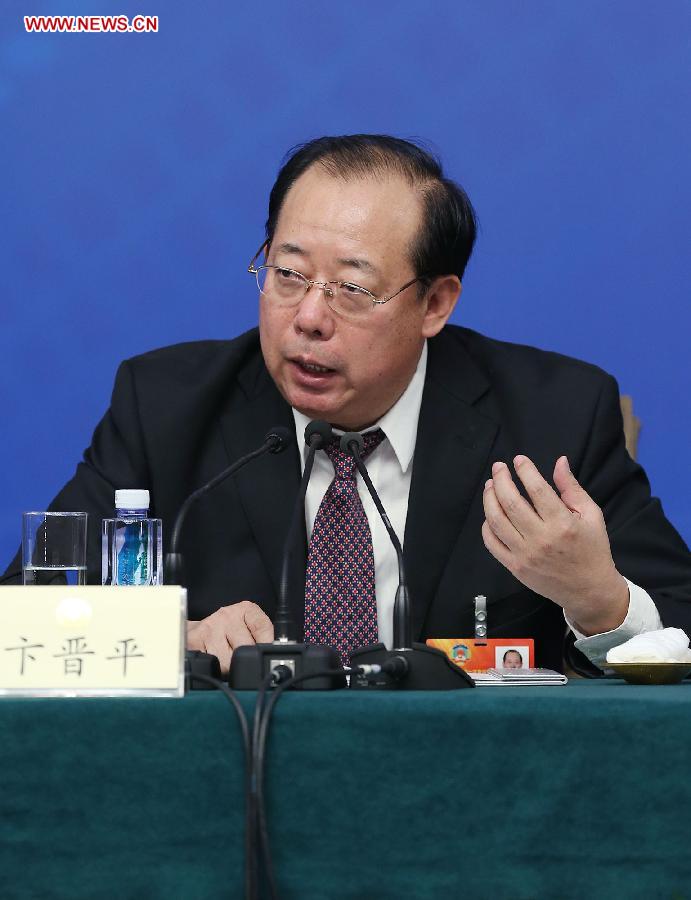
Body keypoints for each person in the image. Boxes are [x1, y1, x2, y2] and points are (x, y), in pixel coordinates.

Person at [3, 135, 690, 674]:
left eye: (351, 291)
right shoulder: (166, 406)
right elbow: (18, 621)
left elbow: (681, 623)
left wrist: (598, 601)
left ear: (434, 303)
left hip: (480, 803)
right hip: (226, 788)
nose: (307, 317)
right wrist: (165, 638)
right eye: (287, 274)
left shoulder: (551, 417)